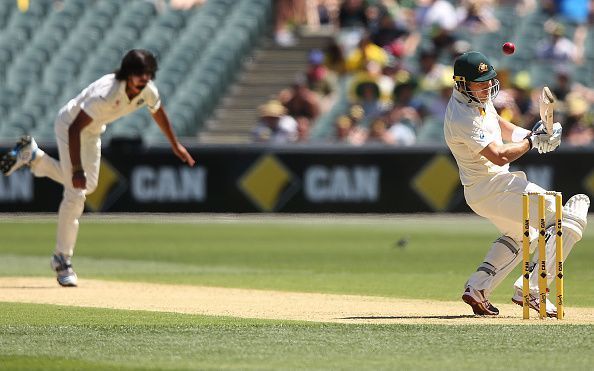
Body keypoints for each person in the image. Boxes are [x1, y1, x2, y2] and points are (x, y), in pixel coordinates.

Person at [0, 49, 196, 287]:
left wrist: (175, 145)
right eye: (139, 74)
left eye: (148, 74)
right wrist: (77, 169)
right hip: (69, 126)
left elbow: (158, 111)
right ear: (128, 73)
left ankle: (34, 157)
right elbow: (74, 129)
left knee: (88, 185)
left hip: (93, 132)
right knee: (75, 193)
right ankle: (62, 260)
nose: (144, 79)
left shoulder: (147, 90)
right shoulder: (107, 93)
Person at [443, 51, 590, 316]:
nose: (487, 87)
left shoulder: (476, 99)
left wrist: (532, 133)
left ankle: (478, 288)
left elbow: (498, 123)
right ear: (462, 83)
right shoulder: (462, 117)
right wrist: (533, 142)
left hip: (485, 190)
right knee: (567, 219)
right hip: (494, 186)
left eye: (489, 80)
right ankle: (531, 289)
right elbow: (498, 156)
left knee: (522, 236)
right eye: (480, 82)